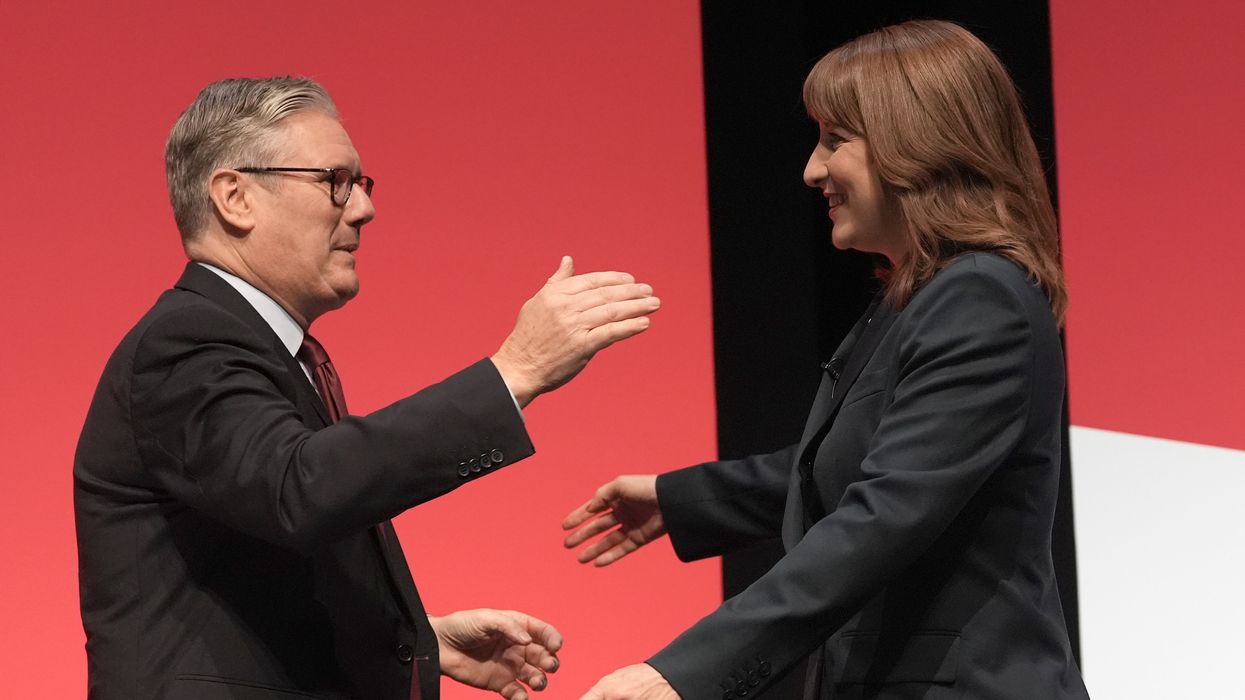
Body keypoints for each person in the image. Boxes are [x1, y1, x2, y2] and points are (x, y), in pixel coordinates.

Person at [74, 76, 660, 700]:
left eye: (361, 184)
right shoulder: (185, 343)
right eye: (334, 182)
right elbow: (300, 490)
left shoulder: (263, 347)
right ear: (235, 196)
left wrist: (416, 635)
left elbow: (252, 559)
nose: (362, 208)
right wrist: (514, 372)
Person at [563, 20, 1089, 700]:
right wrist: (684, 500)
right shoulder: (918, 296)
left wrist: (680, 673)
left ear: (918, 145)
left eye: (835, 140)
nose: (812, 171)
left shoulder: (978, 298)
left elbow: (887, 511)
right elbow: (858, 459)